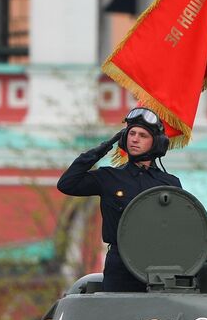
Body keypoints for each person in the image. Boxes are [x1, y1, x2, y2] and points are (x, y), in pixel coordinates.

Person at [57, 107, 183, 292]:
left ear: (156, 143)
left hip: (159, 264)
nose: (135, 139)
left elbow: (181, 226)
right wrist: (103, 148)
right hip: (120, 264)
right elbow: (67, 183)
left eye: (142, 135)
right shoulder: (109, 177)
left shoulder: (169, 183)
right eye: (131, 133)